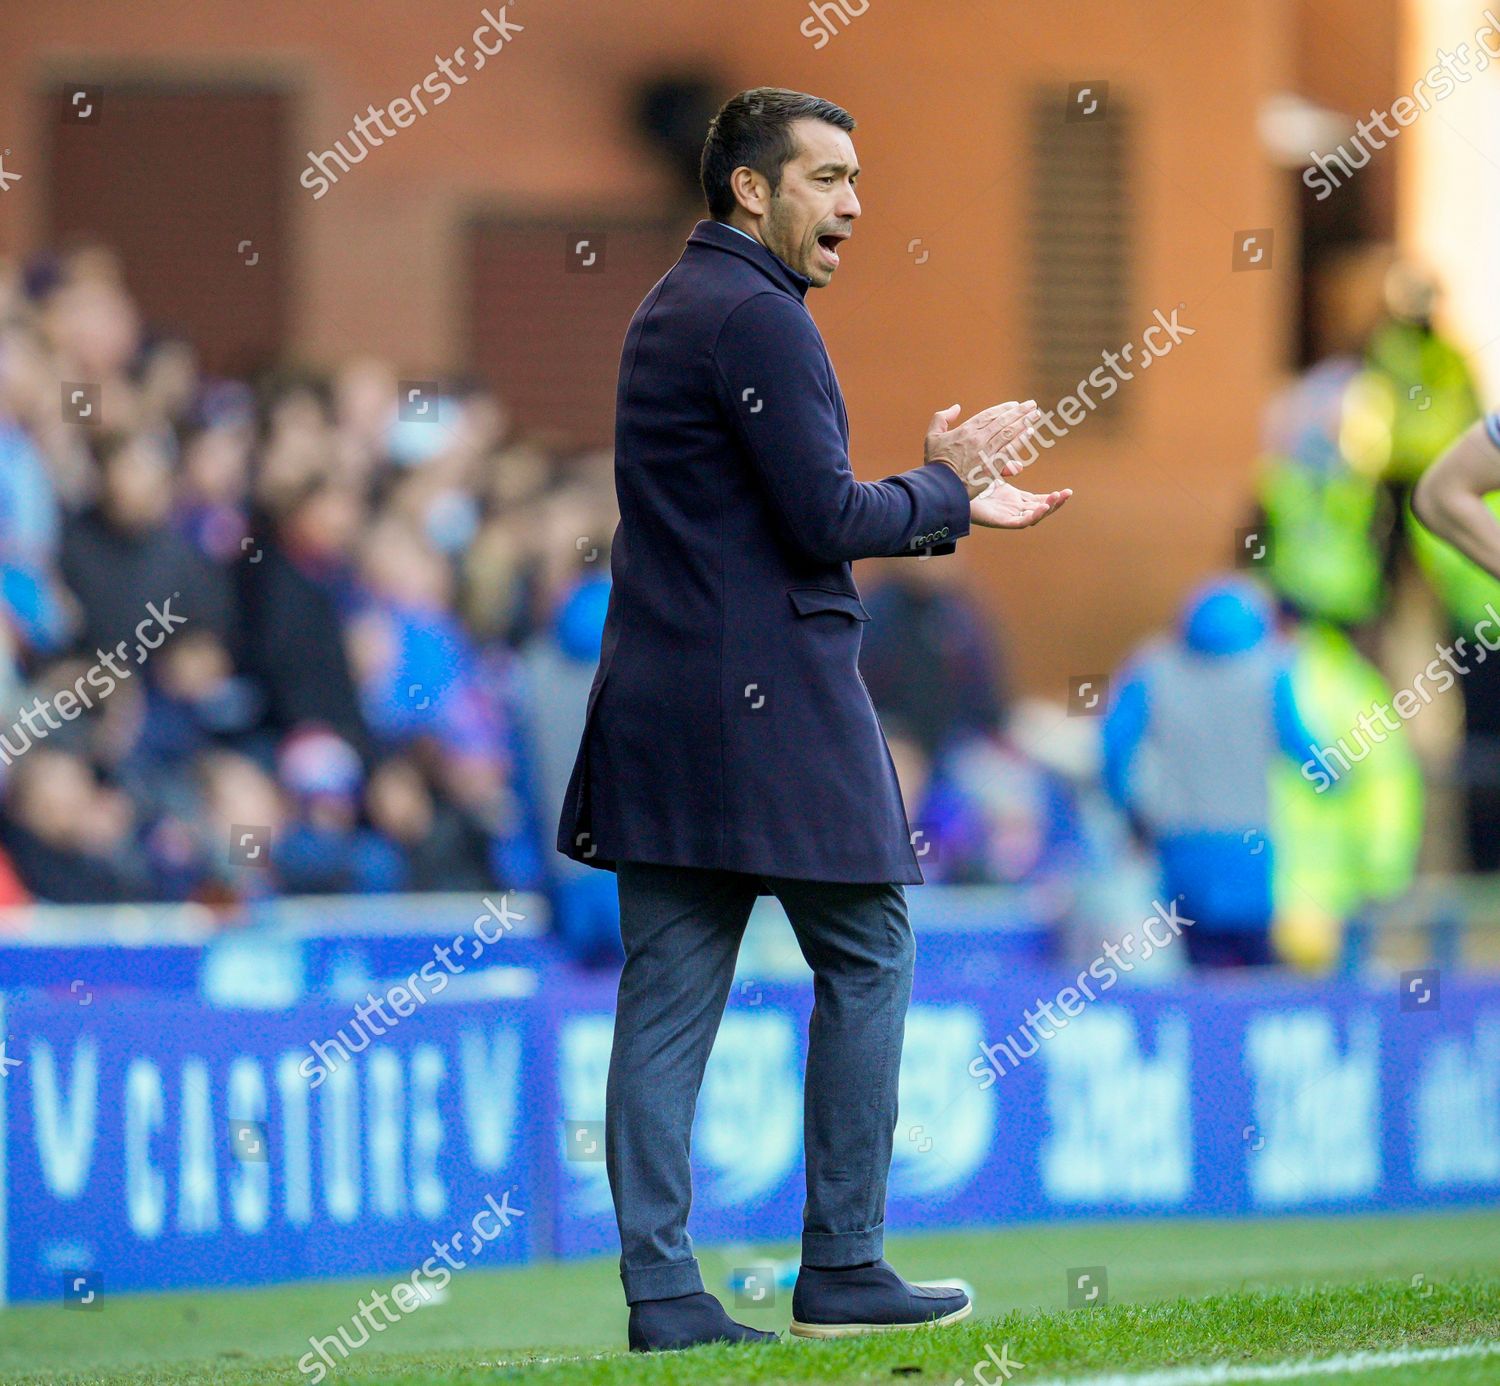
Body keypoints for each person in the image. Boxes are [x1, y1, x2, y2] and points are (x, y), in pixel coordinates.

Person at [555, 87, 1070, 1353]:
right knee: (872, 949)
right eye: (827, 179)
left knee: (667, 996)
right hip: (769, 706)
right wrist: (946, 487)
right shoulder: (759, 317)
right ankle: (842, 1262)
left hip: (661, 700)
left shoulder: (674, 303)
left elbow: (782, 506)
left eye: (856, 180)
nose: (853, 204)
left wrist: (941, 495)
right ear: (751, 188)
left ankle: (664, 1295)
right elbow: (824, 519)